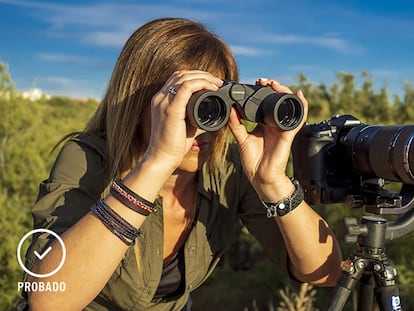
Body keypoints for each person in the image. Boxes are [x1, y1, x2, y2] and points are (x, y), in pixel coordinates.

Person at [20, 17, 342, 311]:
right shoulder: (88, 158)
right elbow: (49, 301)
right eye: (191, 107)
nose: (204, 127)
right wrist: (157, 162)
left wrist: (273, 182)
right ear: (143, 103)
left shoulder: (229, 170)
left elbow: (324, 272)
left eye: (216, 107)